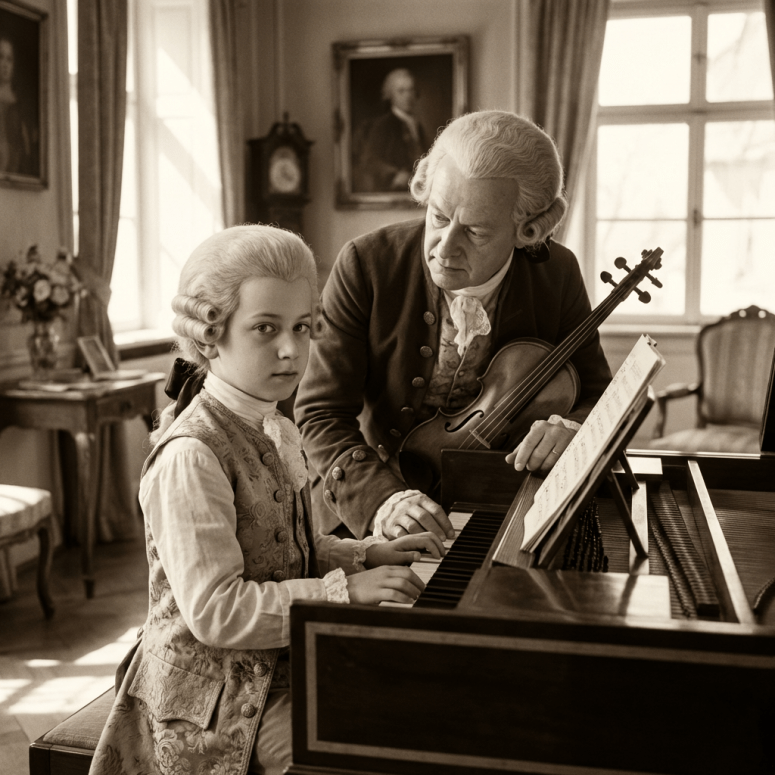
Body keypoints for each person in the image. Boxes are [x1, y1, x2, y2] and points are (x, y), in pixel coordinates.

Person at [88, 225, 444, 775]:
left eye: (302, 327)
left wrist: (362, 555)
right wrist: (346, 592)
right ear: (211, 338)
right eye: (265, 328)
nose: (291, 349)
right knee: (362, 752)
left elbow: (282, 550)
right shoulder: (193, 455)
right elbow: (217, 612)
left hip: (274, 665)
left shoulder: (271, 425)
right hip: (215, 706)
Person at [296, 110, 613, 542]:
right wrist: (385, 501)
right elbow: (320, 412)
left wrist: (570, 428)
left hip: (496, 506)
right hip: (367, 510)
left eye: (476, 232)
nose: (445, 248)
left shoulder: (556, 272)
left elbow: (598, 397)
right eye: (439, 217)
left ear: (529, 229)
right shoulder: (366, 264)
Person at [355, 67, 429, 192]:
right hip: (393, 191)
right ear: (390, 95)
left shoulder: (417, 125)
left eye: (411, 90)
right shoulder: (383, 125)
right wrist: (394, 174)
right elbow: (369, 160)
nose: (408, 96)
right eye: (401, 91)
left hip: (417, 191)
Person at [0, 34, 34, 176]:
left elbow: (26, 150)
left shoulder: (20, 107)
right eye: (0, 57)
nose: (5, 64)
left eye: (9, 59)